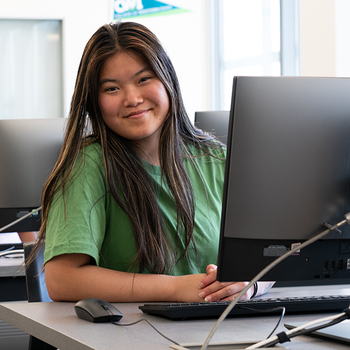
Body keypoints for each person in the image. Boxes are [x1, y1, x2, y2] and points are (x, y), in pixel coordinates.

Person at [33, 21, 273, 303]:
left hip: (231, 330)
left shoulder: (216, 159)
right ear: (94, 101)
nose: (132, 99)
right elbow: (62, 279)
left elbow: (271, 255)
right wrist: (175, 289)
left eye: (144, 79)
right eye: (111, 89)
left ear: (167, 80)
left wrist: (252, 285)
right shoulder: (88, 166)